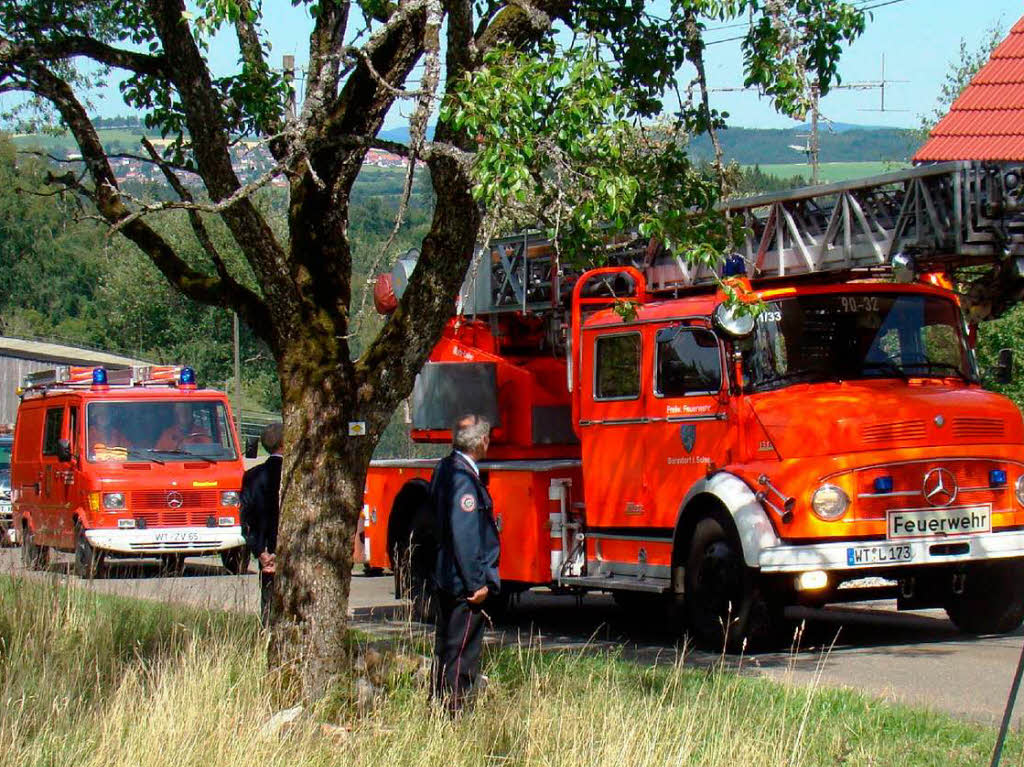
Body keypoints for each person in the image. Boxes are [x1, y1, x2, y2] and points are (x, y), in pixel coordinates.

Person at [429, 414, 500, 714]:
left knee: (445, 648)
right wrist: (477, 584)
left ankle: (439, 706)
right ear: (482, 441)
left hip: (446, 576)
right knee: (461, 654)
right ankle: (455, 715)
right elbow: (466, 536)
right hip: (463, 586)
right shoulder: (463, 480)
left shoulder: (444, 468)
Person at [240, 423, 283, 627]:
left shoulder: (252, 476)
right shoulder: (296, 476)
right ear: (285, 443)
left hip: (264, 550)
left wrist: (260, 552)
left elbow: (246, 519)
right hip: (289, 550)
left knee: (268, 601)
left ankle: (266, 638)